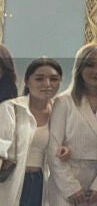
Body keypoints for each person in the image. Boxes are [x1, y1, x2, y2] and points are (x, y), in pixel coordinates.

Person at [47, 42, 97, 206]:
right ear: (79, 67)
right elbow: (53, 149)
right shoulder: (63, 102)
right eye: (90, 65)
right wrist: (71, 188)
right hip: (65, 182)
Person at [0, 57, 61, 206]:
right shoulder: (11, 108)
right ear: (27, 81)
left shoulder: (60, 111)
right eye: (39, 79)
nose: (47, 84)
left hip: (43, 182)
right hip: (13, 179)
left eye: (53, 79)